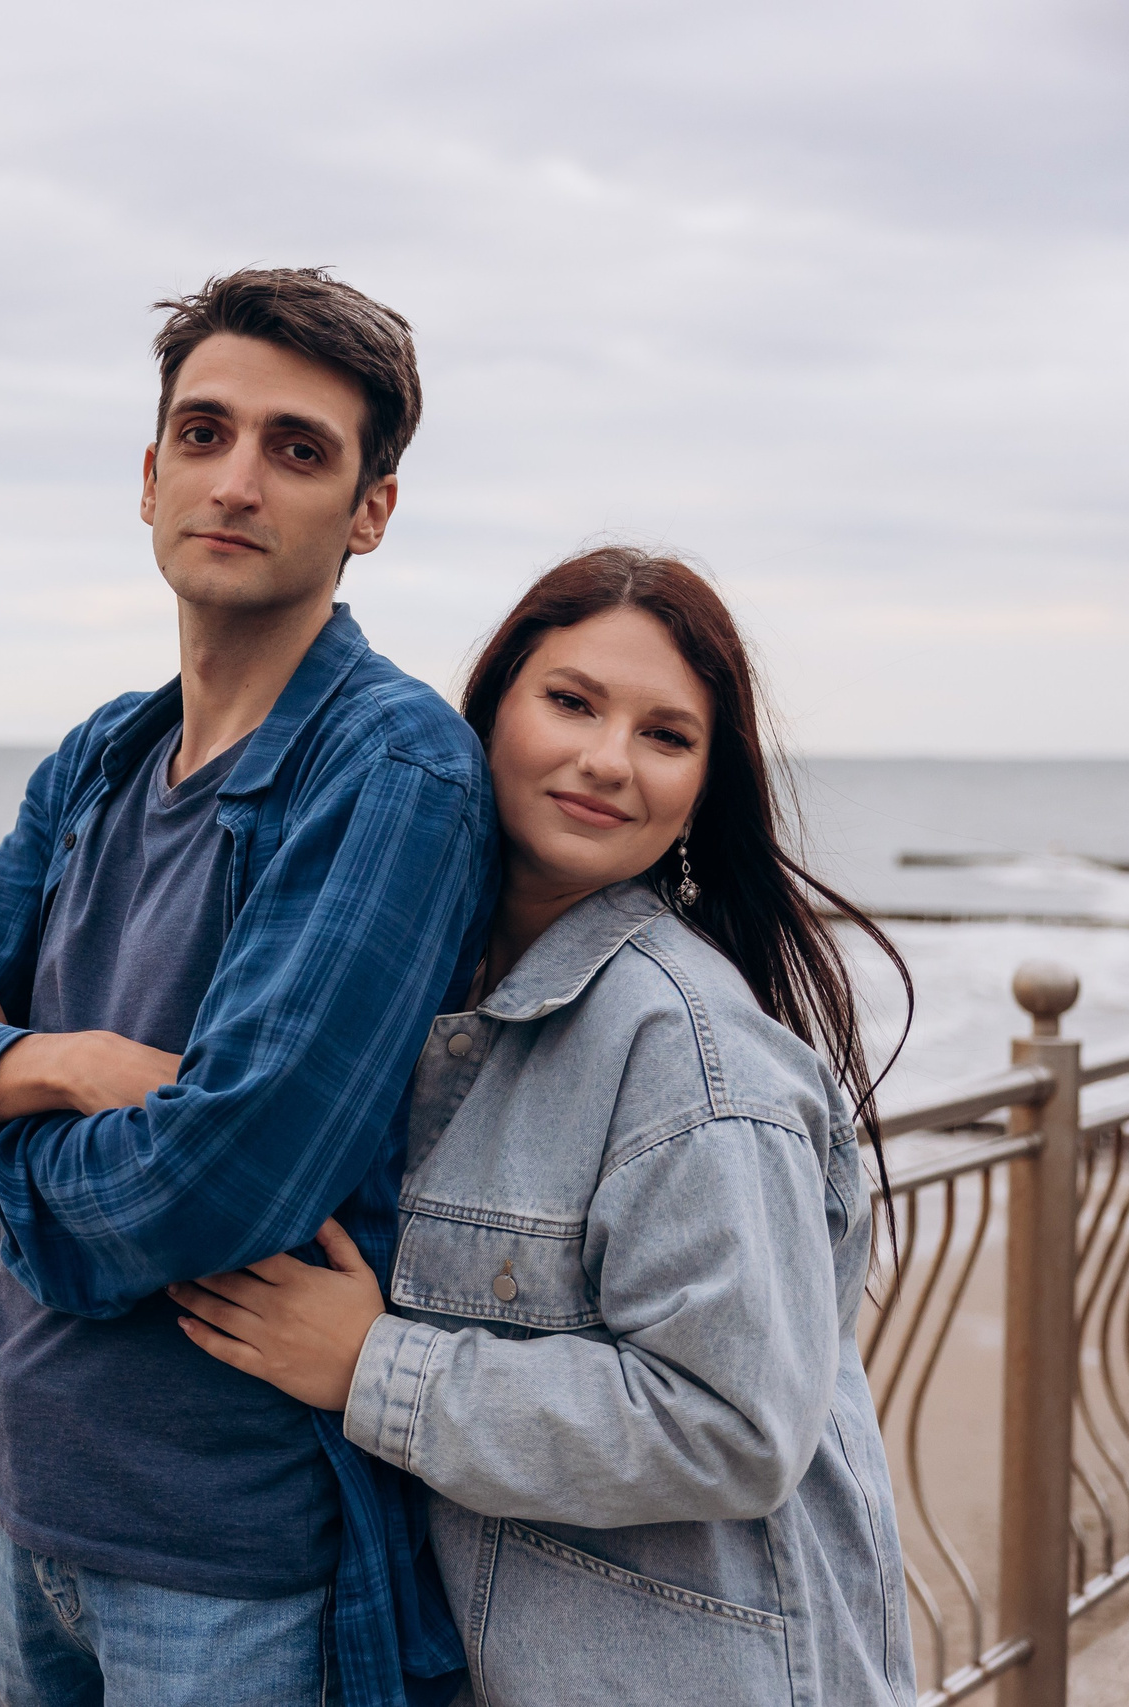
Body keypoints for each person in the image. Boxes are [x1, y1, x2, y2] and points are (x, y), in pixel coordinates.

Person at [0, 268, 491, 1707]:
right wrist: (51, 1064)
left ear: (370, 509)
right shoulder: (99, 760)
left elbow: (218, 1179)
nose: (237, 479)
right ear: (148, 473)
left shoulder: (389, 768)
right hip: (34, 1505)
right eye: (204, 433)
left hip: (231, 1560)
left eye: (298, 449)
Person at [166, 549, 918, 1705]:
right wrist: (29, 1054)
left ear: (700, 792)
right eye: (570, 702)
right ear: (491, 716)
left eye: (666, 736)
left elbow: (732, 1424)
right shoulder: (424, 987)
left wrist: (373, 1366)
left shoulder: (687, 1048)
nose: (606, 760)